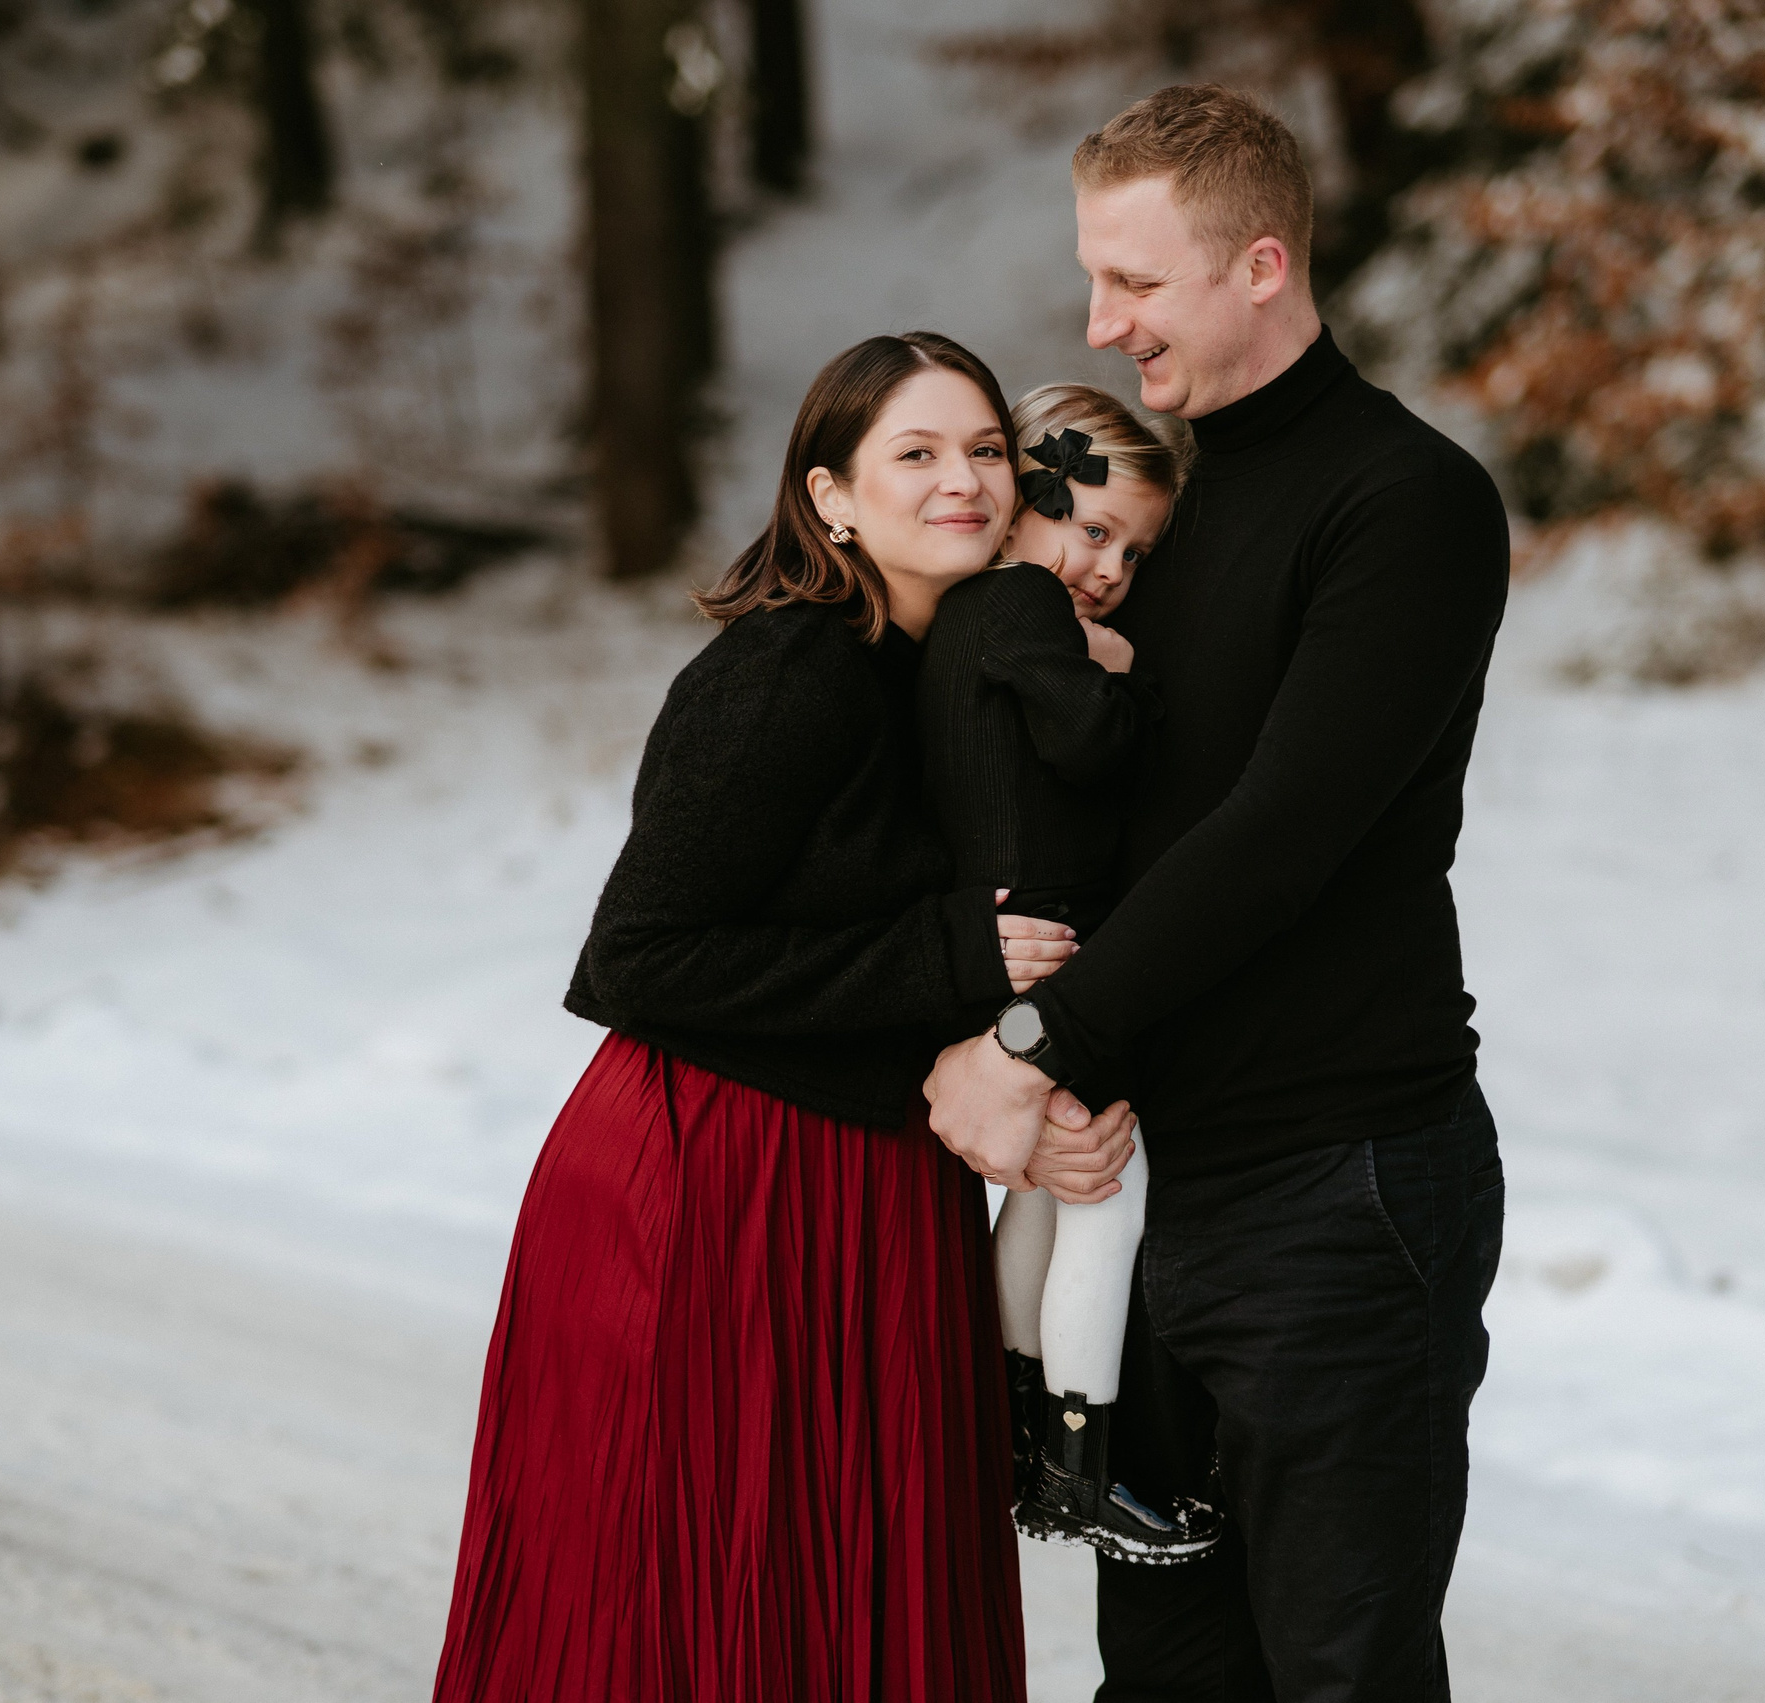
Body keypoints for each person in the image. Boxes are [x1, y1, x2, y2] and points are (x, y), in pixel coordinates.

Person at [925, 85, 1513, 1702]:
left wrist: (1037, 1039)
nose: (1104, 324)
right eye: (1094, 280)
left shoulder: (1405, 506)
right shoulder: (1153, 520)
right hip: (1153, 1185)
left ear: (1262, 264)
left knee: (1338, 1669)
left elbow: (1278, 834)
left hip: (1339, 1189)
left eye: (1138, 282)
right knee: (1167, 1676)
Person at [431, 331, 1101, 1703]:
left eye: (983, 448)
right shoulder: (786, 674)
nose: (962, 479)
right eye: (913, 452)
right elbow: (639, 956)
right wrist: (939, 955)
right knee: (688, 1596)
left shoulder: (952, 670)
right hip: (715, 1182)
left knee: (852, 1589)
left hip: (869, 1182)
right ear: (830, 497)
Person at [913, 382, 1216, 1562]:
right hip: (1044, 948)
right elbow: (1088, 743)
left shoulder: (964, 615)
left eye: (1132, 553)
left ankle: (1016, 1431)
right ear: (1025, 500)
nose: (1105, 567)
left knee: (1042, 1189)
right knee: (1107, 1189)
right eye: (1091, 528)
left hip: (1004, 942)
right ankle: (1086, 1467)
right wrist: (1128, 675)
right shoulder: (1025, 604)